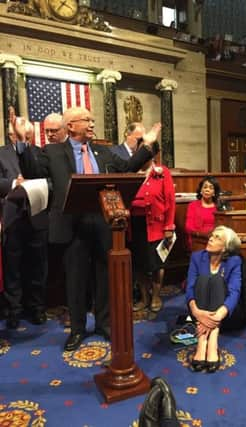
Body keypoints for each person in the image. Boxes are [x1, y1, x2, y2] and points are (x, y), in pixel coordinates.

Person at [13, 106, 160, 351]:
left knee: (104, 277)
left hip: (103, 223)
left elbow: (127, 167)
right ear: (71, 126)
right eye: (87, 121)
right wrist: (21, 141)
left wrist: (147, 146)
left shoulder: (103, 152)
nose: (92, 124)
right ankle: (78, 329)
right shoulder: (53, 152)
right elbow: (31, 170)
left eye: (93, 120)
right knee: (76, 280)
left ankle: (103, 324)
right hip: (72, 226)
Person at [0, 121, 48, 329]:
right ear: (11, 135)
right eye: (20, 135)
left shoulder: (41, 153)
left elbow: (48, 179)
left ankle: (36, 308)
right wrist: (13, 184)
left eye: (29, 135)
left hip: (37, 216)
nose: (24, 139)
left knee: (38, 266)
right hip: (11, 218)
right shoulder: (1, 154)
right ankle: (14, 310)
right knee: (13, 267)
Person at [186, 225, 243, 373]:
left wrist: (217, 317)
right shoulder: (197, 257)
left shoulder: (234, 261)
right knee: (204, 279)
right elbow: (190, 288)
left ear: (225, 248)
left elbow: (234, 292)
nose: (211, 238)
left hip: (223, 313)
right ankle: (202, 341)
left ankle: (212, 339)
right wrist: (196, 311)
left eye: (217, 238)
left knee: (217, 280)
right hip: (199, 310)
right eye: (212, 235)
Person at [131, 144, 175, 313]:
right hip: (135, 225)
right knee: (139, 264)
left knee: (157, 264)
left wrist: (169, 225)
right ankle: (144, 297)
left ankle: (156, 296)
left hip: (156, 225)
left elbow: (170, 201)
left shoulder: (162, 172)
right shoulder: (131, 171)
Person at [185, 176, 220, 251]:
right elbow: (189, 227)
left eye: (211, 188)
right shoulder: (193, 206)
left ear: (214, 192)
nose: (207, 190)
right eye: (205, 187)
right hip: (198, 240)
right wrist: (202, 235)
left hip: (216, 240)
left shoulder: (218, 207)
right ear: (201, 190)